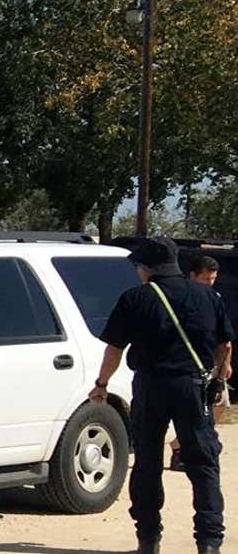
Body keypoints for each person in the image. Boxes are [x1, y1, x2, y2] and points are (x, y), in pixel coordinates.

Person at [90, 237, 232, 554]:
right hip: (193, 387)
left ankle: (148, 539)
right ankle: (209, 543)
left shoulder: (135, 298)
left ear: (146, 268)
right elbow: (225, 345)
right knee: (204, 465)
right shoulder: (207, 296)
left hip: (151, 386)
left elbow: (115, 349)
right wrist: (219, 378)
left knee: (147, 464)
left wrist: (101, 383)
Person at [172, 253, 228, 472]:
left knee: (219, 404)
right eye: (206, 279)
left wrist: (224, 366)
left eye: (213, 279)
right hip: (188, 365)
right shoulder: (180, 298)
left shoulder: (215, 298)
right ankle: (183, 449)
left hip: (210, 360)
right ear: (192, 275)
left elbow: (224, 339)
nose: (210, 283)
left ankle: (186, 446)